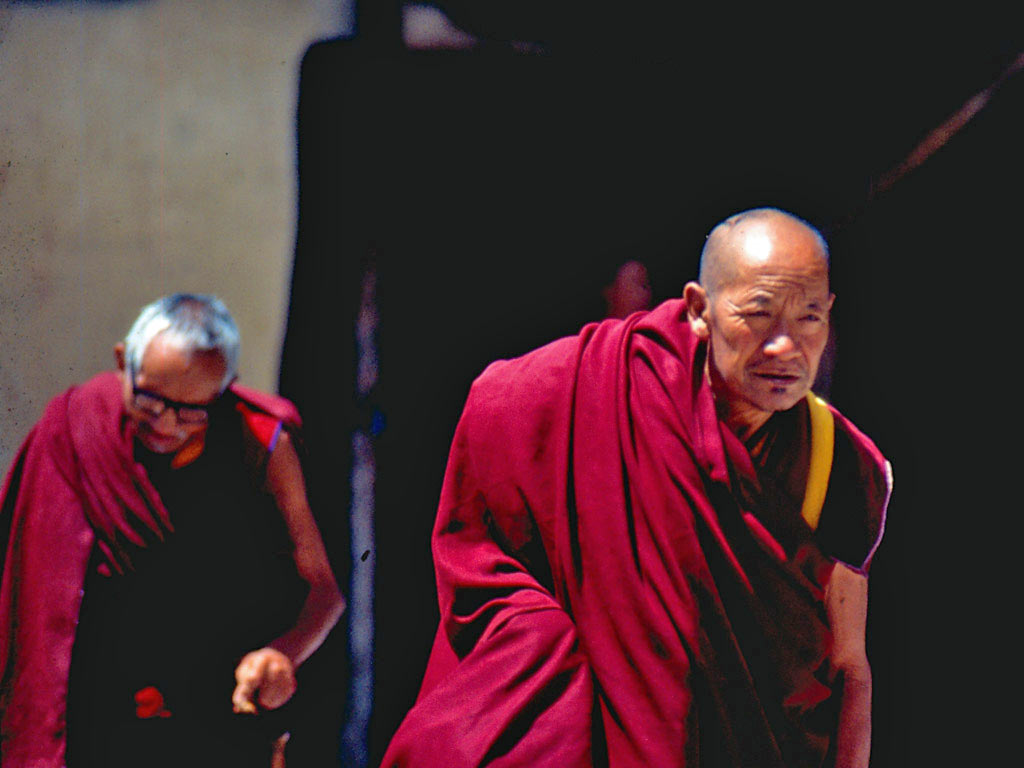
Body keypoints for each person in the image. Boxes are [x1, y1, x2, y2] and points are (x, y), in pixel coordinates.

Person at [380, 208, 891, 767]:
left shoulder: (840, 462)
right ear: (700, 309)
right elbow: (498, 408)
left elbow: (848, 666)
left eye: (810, 318)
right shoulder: (611, 389)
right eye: (759, 314)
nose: (785, 347)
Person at [0, 294, 345, 767]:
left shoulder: (259, 443)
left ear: (222, 393)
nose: (165, 424)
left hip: (214, 717)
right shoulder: (75, 432)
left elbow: (324, 591)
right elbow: (33, 590)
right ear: (124, 362)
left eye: (191, 412)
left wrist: (282, 654)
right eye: (149, 400)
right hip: (95, 718)